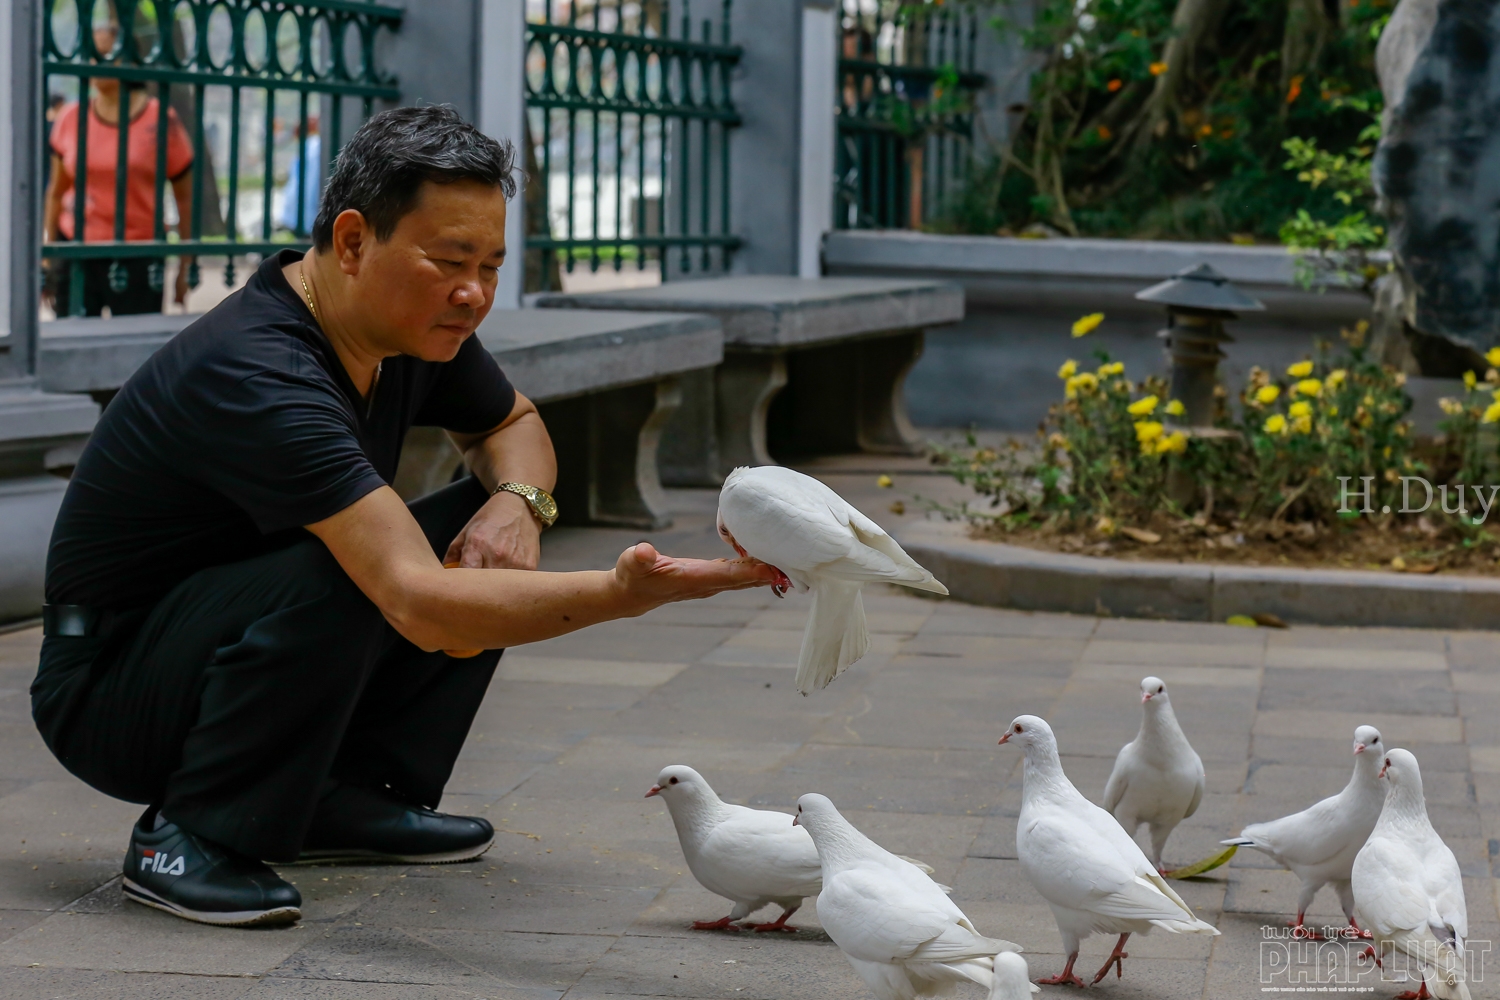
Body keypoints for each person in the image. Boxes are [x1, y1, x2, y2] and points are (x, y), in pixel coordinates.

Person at [30, 105, 776, 929]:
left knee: (465, 524)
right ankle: (186, 832)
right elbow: (414, 599)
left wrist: (518, 505)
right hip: (110, 689)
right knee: (369, 568)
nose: (475, 293)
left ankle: (332, 798)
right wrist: (624, 592)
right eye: (452, 261)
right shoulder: (262, 372)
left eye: (492, 264)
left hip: (209, 635)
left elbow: (513, 426)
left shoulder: (406, 328)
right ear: (353, 242)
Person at [43, 55, 196, 315]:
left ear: (131, 62)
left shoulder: (160, 120)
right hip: (77, 250)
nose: (95, 64)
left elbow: (185, 198)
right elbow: (56, 193)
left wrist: (185, 266)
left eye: (106, 56)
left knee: (138, 348)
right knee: (71, 345)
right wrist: (47, 259)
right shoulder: (71, 118)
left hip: (139, 253)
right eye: (91, 55)